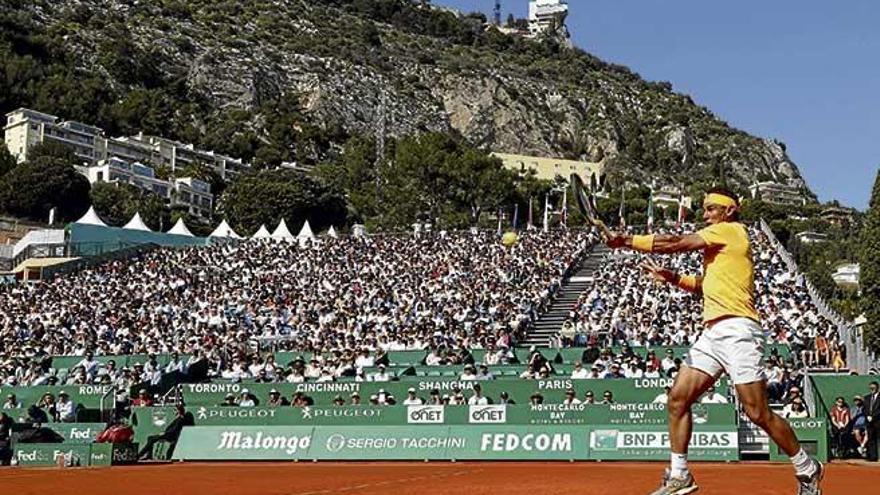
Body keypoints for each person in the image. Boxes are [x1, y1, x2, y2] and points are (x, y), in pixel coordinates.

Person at [606, 187, 822, 494]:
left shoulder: (732, 231)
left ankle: (806, 466)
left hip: (739, 331)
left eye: (710, 209)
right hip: (712, 334)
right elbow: (705, 287)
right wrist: (672, 278)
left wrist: (626, 241)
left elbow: (676, 243)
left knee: (757, 412)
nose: (705, 215)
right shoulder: (719, 247)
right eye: (704, 209)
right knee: (678, 399)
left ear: (729, 211)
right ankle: (680, 475)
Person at [864, 381, 880, 462]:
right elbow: (864, 409)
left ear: (877, 388)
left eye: (873, 388)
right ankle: (873, 456)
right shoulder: (867, 398)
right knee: (871, 439)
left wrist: (873, 417)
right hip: (869, 422)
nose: (872, 389)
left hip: (878, 421)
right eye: (871, 388)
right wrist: (867, 416)